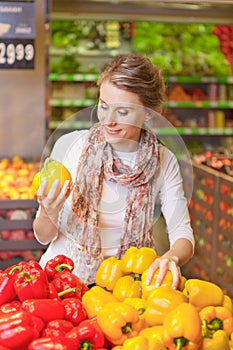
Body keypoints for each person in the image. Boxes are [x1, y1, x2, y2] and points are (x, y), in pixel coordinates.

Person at [33, 53, 194, 289]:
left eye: (123, 112)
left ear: (148, 113)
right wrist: (48, 213)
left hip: (120, 291)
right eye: (104, 106)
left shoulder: (163, 161)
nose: (108, 120)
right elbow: (43, 235)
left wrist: (171, 257)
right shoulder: (70, 146)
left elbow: (183, 234)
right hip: (62, 283)